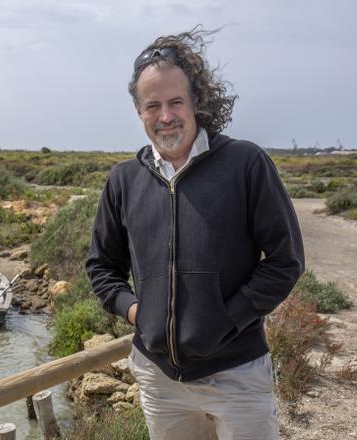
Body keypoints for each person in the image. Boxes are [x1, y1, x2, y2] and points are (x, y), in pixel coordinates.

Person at [85, 28, 305, 440]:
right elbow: (101, 266)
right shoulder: (123, 180)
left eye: (175, 102)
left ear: (196, 102)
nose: (165, 116)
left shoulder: (245, 163)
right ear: (139, 111)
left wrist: (226, 320)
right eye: (153, 105)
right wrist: (136, 312)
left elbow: (285, 261)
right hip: (158, 379)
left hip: (237, 375)